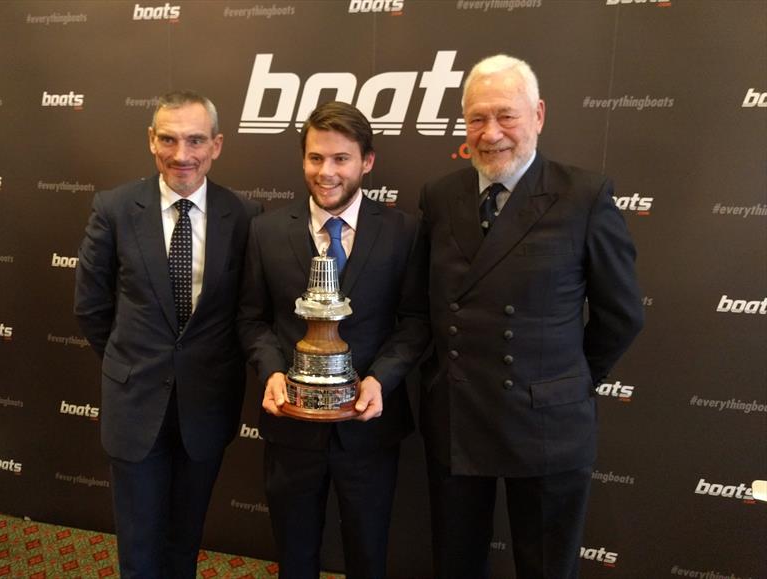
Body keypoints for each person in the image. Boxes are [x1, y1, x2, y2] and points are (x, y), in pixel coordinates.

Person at [418, 54, 644, 578]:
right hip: (458, 413)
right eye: (477, 118)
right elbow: (420, 302)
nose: (491, 133)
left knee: (546, 567)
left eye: (506, 115)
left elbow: (622, 313)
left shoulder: (584, 196)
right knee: (455, 562)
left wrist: (570, 378)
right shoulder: (440, 194)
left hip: (549, 421)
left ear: (538, 114)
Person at [237, 101, 429, 579]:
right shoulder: (264, 231)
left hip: (369, 429)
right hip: (291, 427)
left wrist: (381, 379)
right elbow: (251, 320)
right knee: (295, 558)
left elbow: (415, 322)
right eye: (315, 158)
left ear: (367, 161)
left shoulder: (404, 232)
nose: (326, 172)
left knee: (367, 555)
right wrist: (272, 371)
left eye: (341, 158)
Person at [74, 91, 260, 578]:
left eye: (196, 140)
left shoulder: (243, 215)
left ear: (216, 146)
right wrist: (132, 363)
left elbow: (247, 311)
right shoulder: (113, 209)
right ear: (151, 142)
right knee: (139, 548)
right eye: (170, 139)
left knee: (184, 541)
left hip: (207, 406)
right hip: (134, 404)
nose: (182, 154)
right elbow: (92, 308)